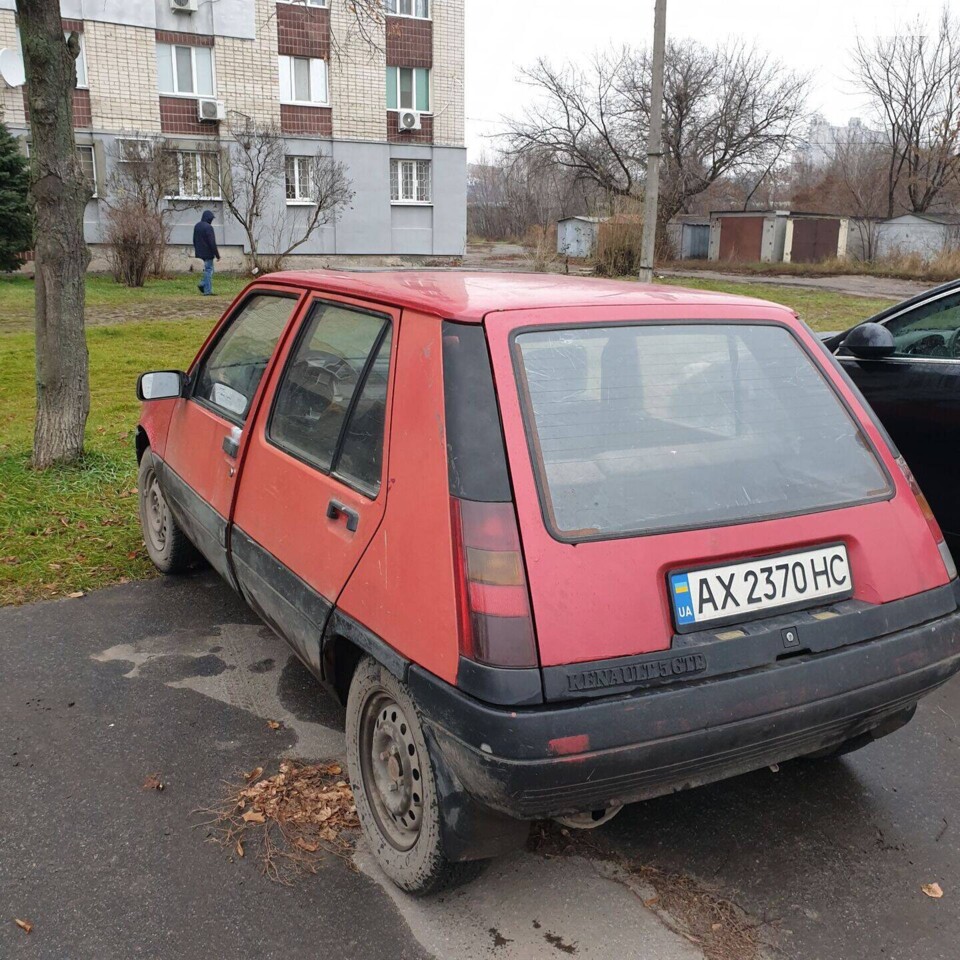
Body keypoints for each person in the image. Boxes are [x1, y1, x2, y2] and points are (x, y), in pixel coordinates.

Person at [192, 210, 220, 296]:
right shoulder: (208, 227)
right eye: (211, 219)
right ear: (209, 218)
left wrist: (197, 250)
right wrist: (217, 255)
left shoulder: (197, 226)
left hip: (200, 252)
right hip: (208, 252)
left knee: (209, 270)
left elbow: (194, 240)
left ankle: (204, 284)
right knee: (209, 270)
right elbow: (212, 242)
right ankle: (207, 289)